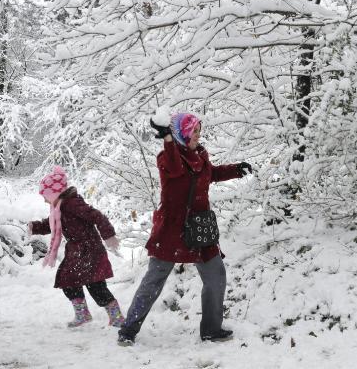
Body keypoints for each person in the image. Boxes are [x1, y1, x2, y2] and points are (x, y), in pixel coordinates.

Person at [117, 112, 253, 346]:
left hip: (199, 228)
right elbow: (176, 168)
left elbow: (211, 174)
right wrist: (168, 139)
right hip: (171, 230)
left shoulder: (200, 155)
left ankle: (211, 329)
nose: (198, 137)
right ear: (181, 134)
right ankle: (128, 329)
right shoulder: (167, 158)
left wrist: (236, 169)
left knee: (216, 276)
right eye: (193, 132)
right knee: (154, 280)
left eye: (199, 132)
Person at [29, 166, 125, 327]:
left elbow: (96, 216)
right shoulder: (59, 207)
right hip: (77, 251)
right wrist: (35, 226)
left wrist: (108, 235)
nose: (44, 200)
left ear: (54, 193)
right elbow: (51, 224)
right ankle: (82, 314)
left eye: (45, 196)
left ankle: (116, 317)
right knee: (67, 281)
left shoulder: (72, 203)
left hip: (90, 250)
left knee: (96, 286)